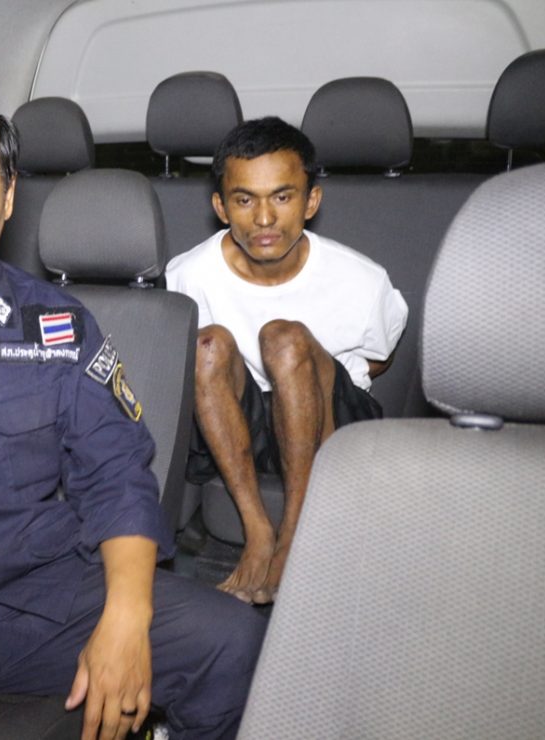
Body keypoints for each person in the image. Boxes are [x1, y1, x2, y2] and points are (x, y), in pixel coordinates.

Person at [0, 90, 266, 740]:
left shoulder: (54, 327)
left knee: (230, 642)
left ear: (7, 203)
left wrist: (125, 615)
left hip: (38, 590)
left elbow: (116, 474)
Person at [166, 116, 408, 606]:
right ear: (220, 206)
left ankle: (295, 531)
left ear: (310, 201)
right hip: (238, 426)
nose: (264, 219)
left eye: (282, 196)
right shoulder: (188, 275)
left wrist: (302, 376)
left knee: (284, 340)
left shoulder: (362, 280)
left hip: (330, 421)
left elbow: (375, 363)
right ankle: (259, 531)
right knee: (207, 344)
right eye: (244, 199)